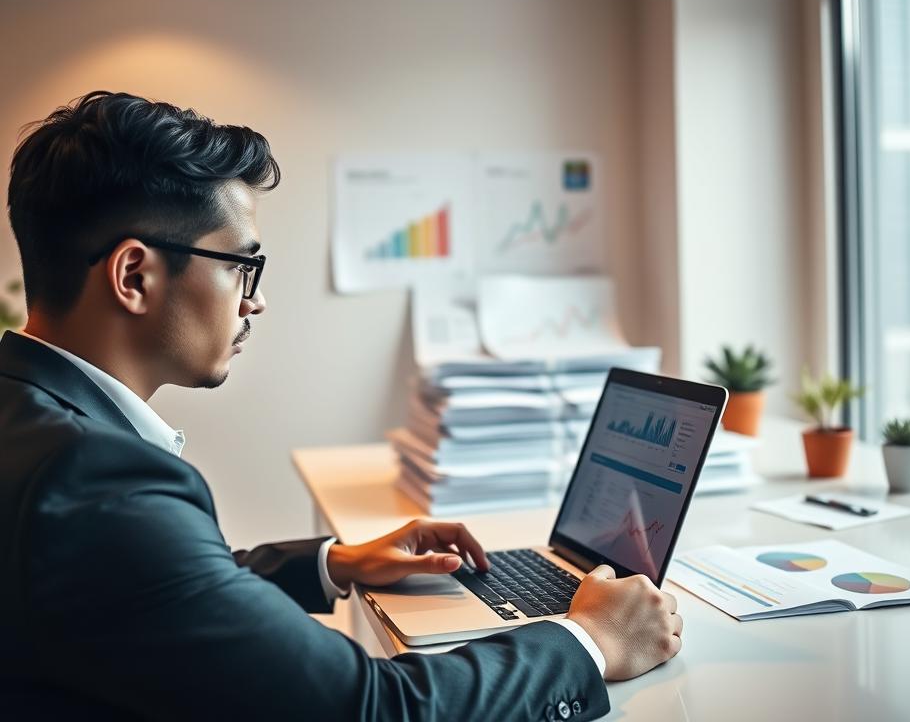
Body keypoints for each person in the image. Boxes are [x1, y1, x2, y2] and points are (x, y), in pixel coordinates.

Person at [0, 92, 683, 721]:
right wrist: (588, 639)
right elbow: (371, 709)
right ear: (135, 276)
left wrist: (336, 562)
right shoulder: (97, 482)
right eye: (240, 266)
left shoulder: (29, 420)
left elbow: (146, 589)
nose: (254, 301)